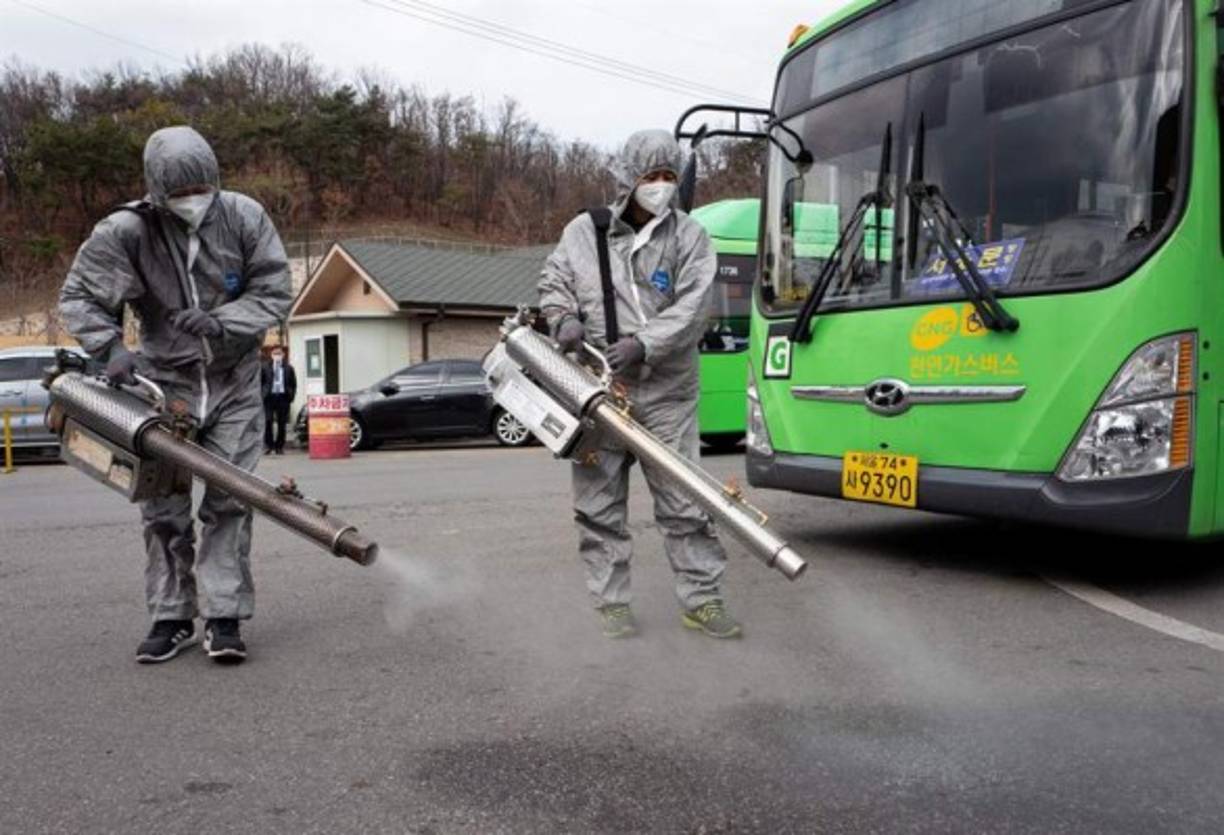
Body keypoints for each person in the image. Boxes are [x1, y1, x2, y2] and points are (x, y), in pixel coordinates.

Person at [60, 125, 293, 664]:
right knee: (163, 509)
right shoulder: (127, 231)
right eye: (180, 194)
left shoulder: (243, 216)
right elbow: (79, 296)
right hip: (164, 389)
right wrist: (109, 346)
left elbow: (274, 289)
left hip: (234, 382)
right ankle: (171, 615)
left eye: (200, 191)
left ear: (215, 181)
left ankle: (224, 616)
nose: (193, 202)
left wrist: (221, 321)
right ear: (157, 191)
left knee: (230, 502)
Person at [539, 129, 741, 640]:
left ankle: (702, 599)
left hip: (668, 391)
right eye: (651, 176)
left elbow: (695, 307)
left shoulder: (690, 237)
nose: (661, 186)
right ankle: (611, 604)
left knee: (686, 500)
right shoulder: (583, 233)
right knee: (599, 504)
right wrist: (562, 318)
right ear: (628, 177)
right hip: (600, 392)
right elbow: (555, 281)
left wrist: (644, 343)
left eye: (669, 177)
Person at [261, 346, 297, 454]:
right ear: (271, 356)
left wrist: (291, 395)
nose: (277, 356)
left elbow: (293, 383)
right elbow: (260, 382)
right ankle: (268, 445)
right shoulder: (265, 367)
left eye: (279, 354)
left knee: (282, 423)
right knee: (268, 421)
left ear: (283, 355)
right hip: (269, 397)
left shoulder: (288, 368)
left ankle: (279, 447)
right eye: (275, 354)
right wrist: (262, 394)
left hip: (283, 397)